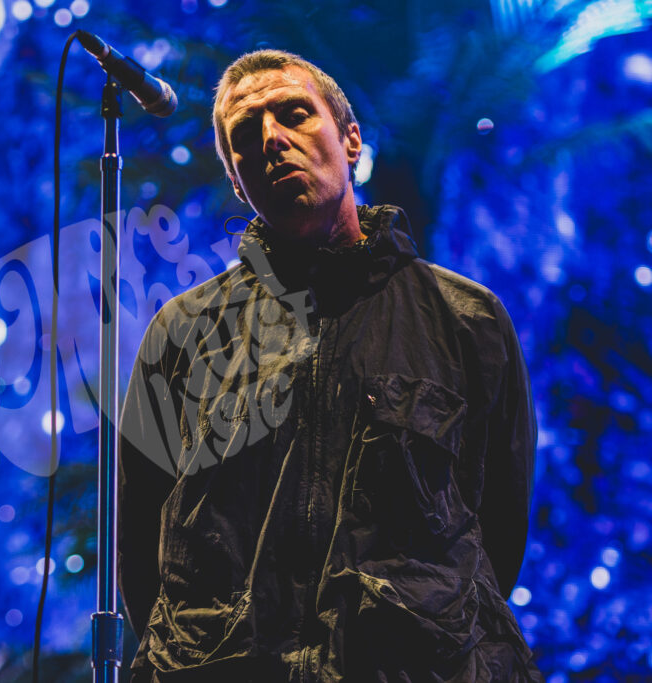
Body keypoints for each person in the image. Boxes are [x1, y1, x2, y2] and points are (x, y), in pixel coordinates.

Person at [118, 49, 542, 682]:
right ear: (236, 179)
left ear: (350, 140)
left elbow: (497, 535)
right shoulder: (182, 335)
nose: (271, 139)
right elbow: (140, 552)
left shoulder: (466, 321)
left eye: (294, 113)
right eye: (244, 133)